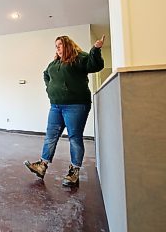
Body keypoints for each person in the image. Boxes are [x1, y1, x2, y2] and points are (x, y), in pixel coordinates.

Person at [24, 34, 105, 187]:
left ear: (67, 45)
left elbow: (94, 65)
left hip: (76, 105)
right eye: (56, 46)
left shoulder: (79, 58)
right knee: (50, 136)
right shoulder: (54, 63)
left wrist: (95, 49)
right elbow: (45, 74)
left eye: (60, 45)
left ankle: (74, 172)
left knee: (74, 138)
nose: (58, 48)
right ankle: (42, 165)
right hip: (56, 106)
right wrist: (49, 88)